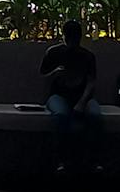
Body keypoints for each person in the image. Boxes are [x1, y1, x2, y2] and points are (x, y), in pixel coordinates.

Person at [40, 18, 104, 177]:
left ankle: (93, 161)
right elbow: (42, 78)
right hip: (59, 96)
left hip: (81, 97)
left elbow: (91, 82)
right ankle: (61, 160)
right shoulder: (54, 53)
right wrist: (55, 73)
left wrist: (82, 102)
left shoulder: (87, 56)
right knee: (61, 115)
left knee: (95, 115)